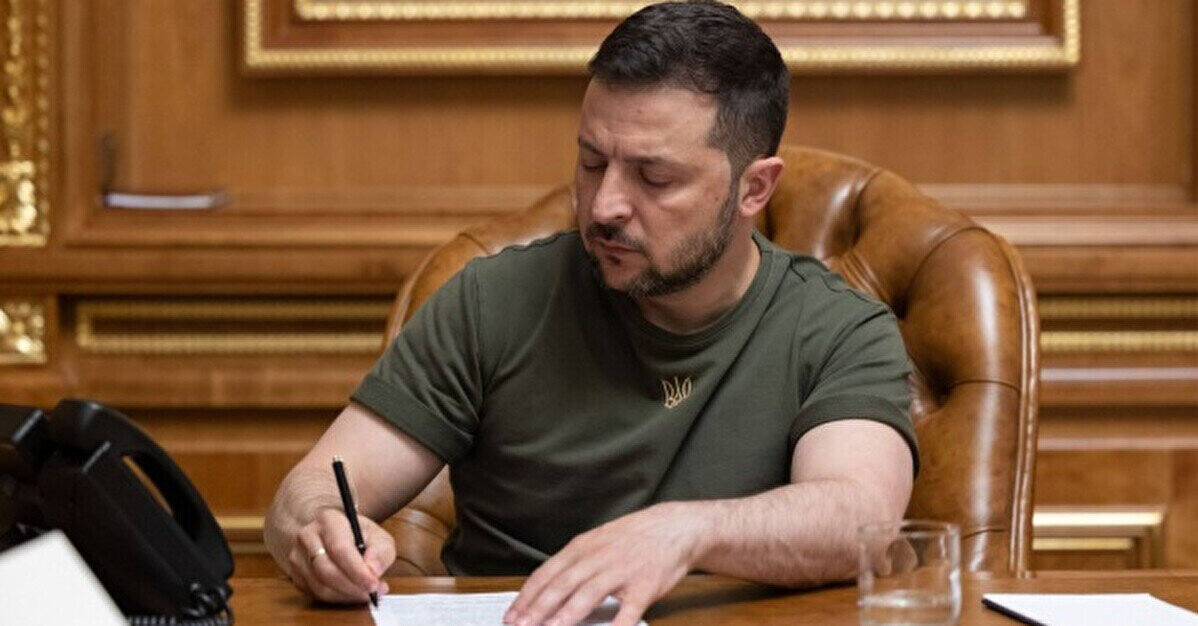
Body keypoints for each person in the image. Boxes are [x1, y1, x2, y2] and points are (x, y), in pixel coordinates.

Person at [264, 2, 918, 624]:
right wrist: (320, 532)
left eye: (653, 178)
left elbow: (858, 517)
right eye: (591, 162)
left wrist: (684, 533)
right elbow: (315, 486)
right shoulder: (494, 299)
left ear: (754, 187)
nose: (604, 205)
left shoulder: (837, 328)